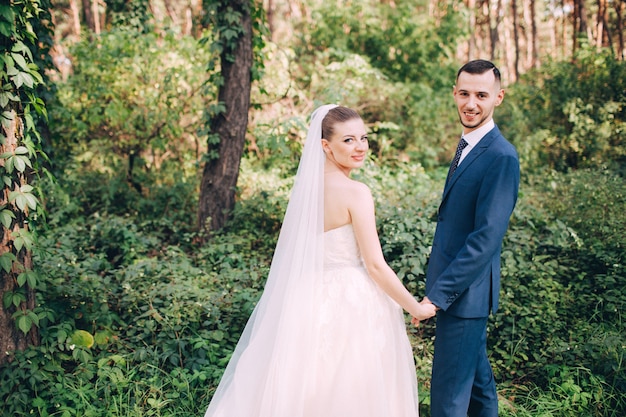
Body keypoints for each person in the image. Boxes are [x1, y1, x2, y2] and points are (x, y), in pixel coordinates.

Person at [204, 104, 437, 417]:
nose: (360, 148)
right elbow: (375, 265)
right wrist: (416, 307)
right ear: (326, 146)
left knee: (305, 382)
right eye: (348, 140)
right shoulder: (356, 192)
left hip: (306, 297)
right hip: (354, 301)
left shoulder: (306, 192)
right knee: (353, 388)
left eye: (363, 138)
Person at [419, 60, 520, 417]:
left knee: (448, 399)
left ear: (498, 97)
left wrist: (439, 295)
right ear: (454, 93)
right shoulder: (468, 144)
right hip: (462, 293)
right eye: (464, 93)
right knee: (478, 391)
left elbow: (486, 238)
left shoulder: (501, 156)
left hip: (465, 295)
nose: (471, 103)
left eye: (481, 95)